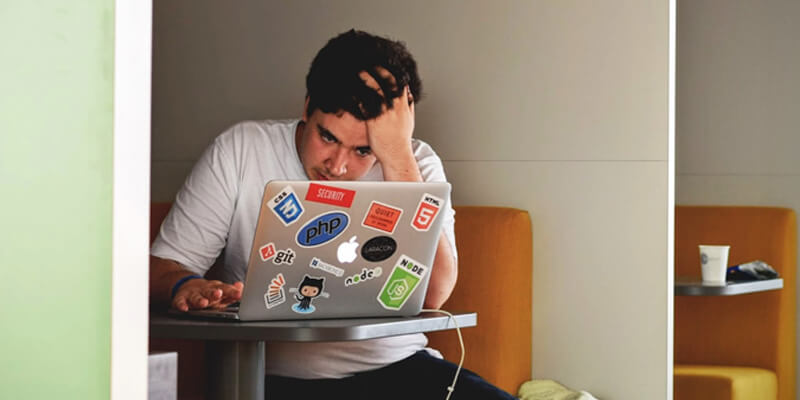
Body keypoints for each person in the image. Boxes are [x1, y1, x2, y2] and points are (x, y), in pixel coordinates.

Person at [150, 29, 515, 400]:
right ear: (307, 107)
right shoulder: (241, 150)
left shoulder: (415, 163)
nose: (338, 167)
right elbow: (160, 268)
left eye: (362, 151)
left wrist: (398, 159)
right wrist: (186, 286)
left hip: (399, 368)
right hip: (272, 380)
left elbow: (434, 294)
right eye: (327, 138)